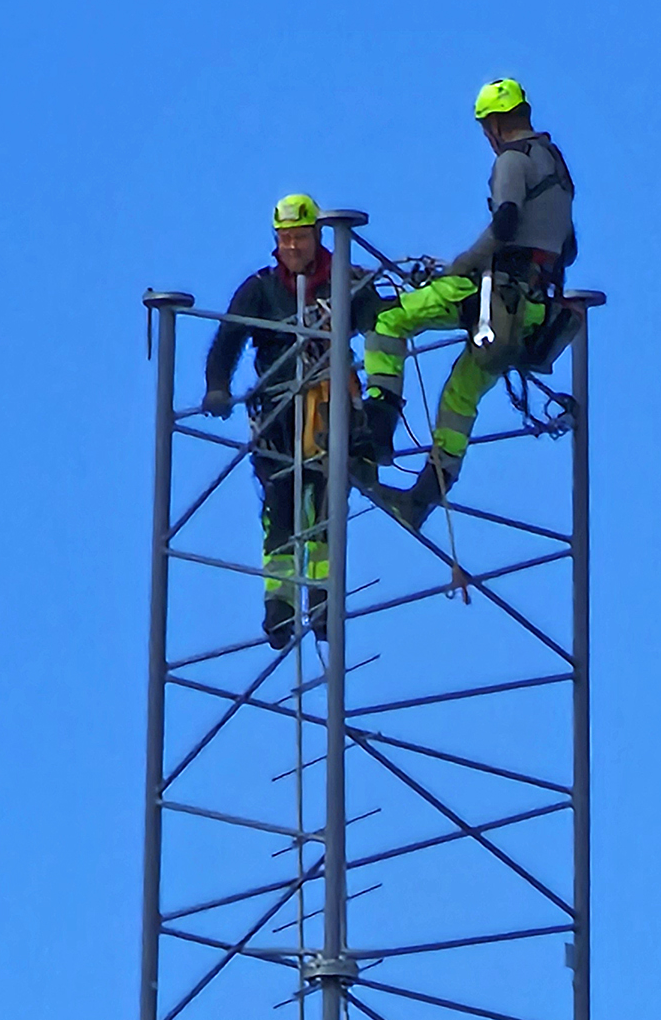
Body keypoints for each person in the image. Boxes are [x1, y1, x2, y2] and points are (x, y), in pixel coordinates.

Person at [361, 78, 576, 530]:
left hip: (493, 292)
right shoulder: (557, 168)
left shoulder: (513, 163)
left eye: (485, 127)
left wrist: (461, 266)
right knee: (461, 395)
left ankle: (375, 433)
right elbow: (568, 248)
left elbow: (506, 223)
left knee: (387, 319)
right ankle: (421, 498)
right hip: (532, 310)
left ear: (495, 125)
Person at [203, 194, 362, 647]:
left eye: (300, 238)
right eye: (285, 239)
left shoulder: (343, 281)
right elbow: (227, 340)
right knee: (282, 508)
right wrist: (218, 385)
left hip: (327, 408)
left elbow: (380, 323)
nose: (292, 247)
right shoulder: (260, 289)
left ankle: (324, 602)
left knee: (327, 505)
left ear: (318, 236)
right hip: (276, 414)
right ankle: (280, 607)